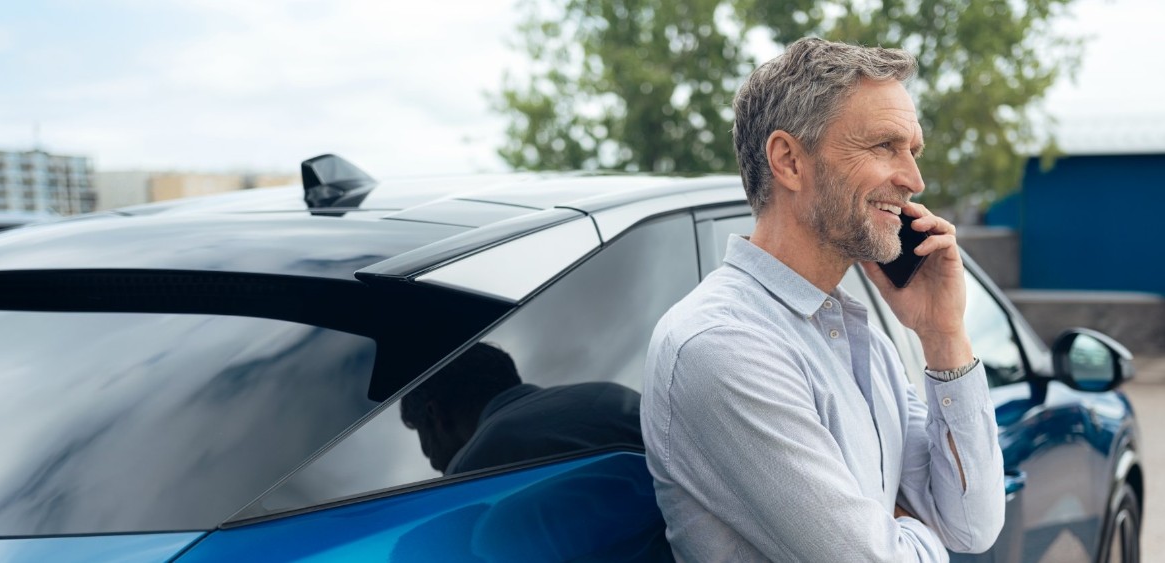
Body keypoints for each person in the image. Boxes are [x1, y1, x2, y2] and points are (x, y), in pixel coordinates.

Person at [641, 37, 1005, 561]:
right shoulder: (721, 345)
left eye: (912, 151)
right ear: (788, 160)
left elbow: (973, 527)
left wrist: (942, 334)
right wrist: (903, 524)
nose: (913, 180)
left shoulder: (864, 342)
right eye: (884, 146)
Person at [400, 342, 643, 475]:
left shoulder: (472, 472)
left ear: (436, 416)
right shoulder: (612, 396)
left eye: (421, 434)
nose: (428, 458)